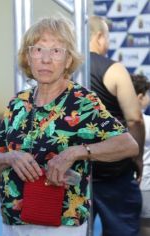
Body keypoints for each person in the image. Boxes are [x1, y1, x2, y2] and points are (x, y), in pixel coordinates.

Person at [0, 15, 139, 236]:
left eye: (56, 51)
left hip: (61, 223)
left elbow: (128, 145)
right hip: (14, 219)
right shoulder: (18, 103)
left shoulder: (82, 101)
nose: (45, 59)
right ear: (28, 57)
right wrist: (11, 157)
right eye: (38, 50)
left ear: (68, 60)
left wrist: (77, 152)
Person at [89, 15, 144, 236]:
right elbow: (135, 119)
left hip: (74, 171)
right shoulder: (113, 70)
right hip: (113, 171)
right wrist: (137, 156)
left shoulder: (64, 70)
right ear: (100, 37)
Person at [130, 74, 150, 236]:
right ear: (140, 97)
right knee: (145, 228)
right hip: (145, 185)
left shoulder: (115, 120)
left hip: (122, 183)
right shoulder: (146, 122)